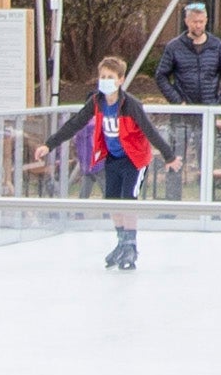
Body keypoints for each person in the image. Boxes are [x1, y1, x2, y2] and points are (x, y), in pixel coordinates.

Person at [57, 59, 166, 271]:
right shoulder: (98, 102)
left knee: (128, 201)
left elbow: (149, 130)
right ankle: (121, 241)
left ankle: (130, 245)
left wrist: (168, 155)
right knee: (113, 202)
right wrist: (50, 143)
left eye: (110, 77)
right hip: (113, 159)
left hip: (134, 159)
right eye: (103, 77)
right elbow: (75, 123)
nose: (106, 81)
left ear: (121, 80)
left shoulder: (130, 104)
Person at [151, 0, 221, 189]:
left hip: (208, 112)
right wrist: (177, 100)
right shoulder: (174, 47)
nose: (198, 25)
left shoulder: (217, 46)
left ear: (206, 20)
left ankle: (206, 203)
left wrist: (220, 104)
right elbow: (161, 76)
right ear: (187, 22)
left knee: (206, 161)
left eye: (201, 21)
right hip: (182, 113)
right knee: (175, 159)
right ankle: (171, 207)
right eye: (194, 22)